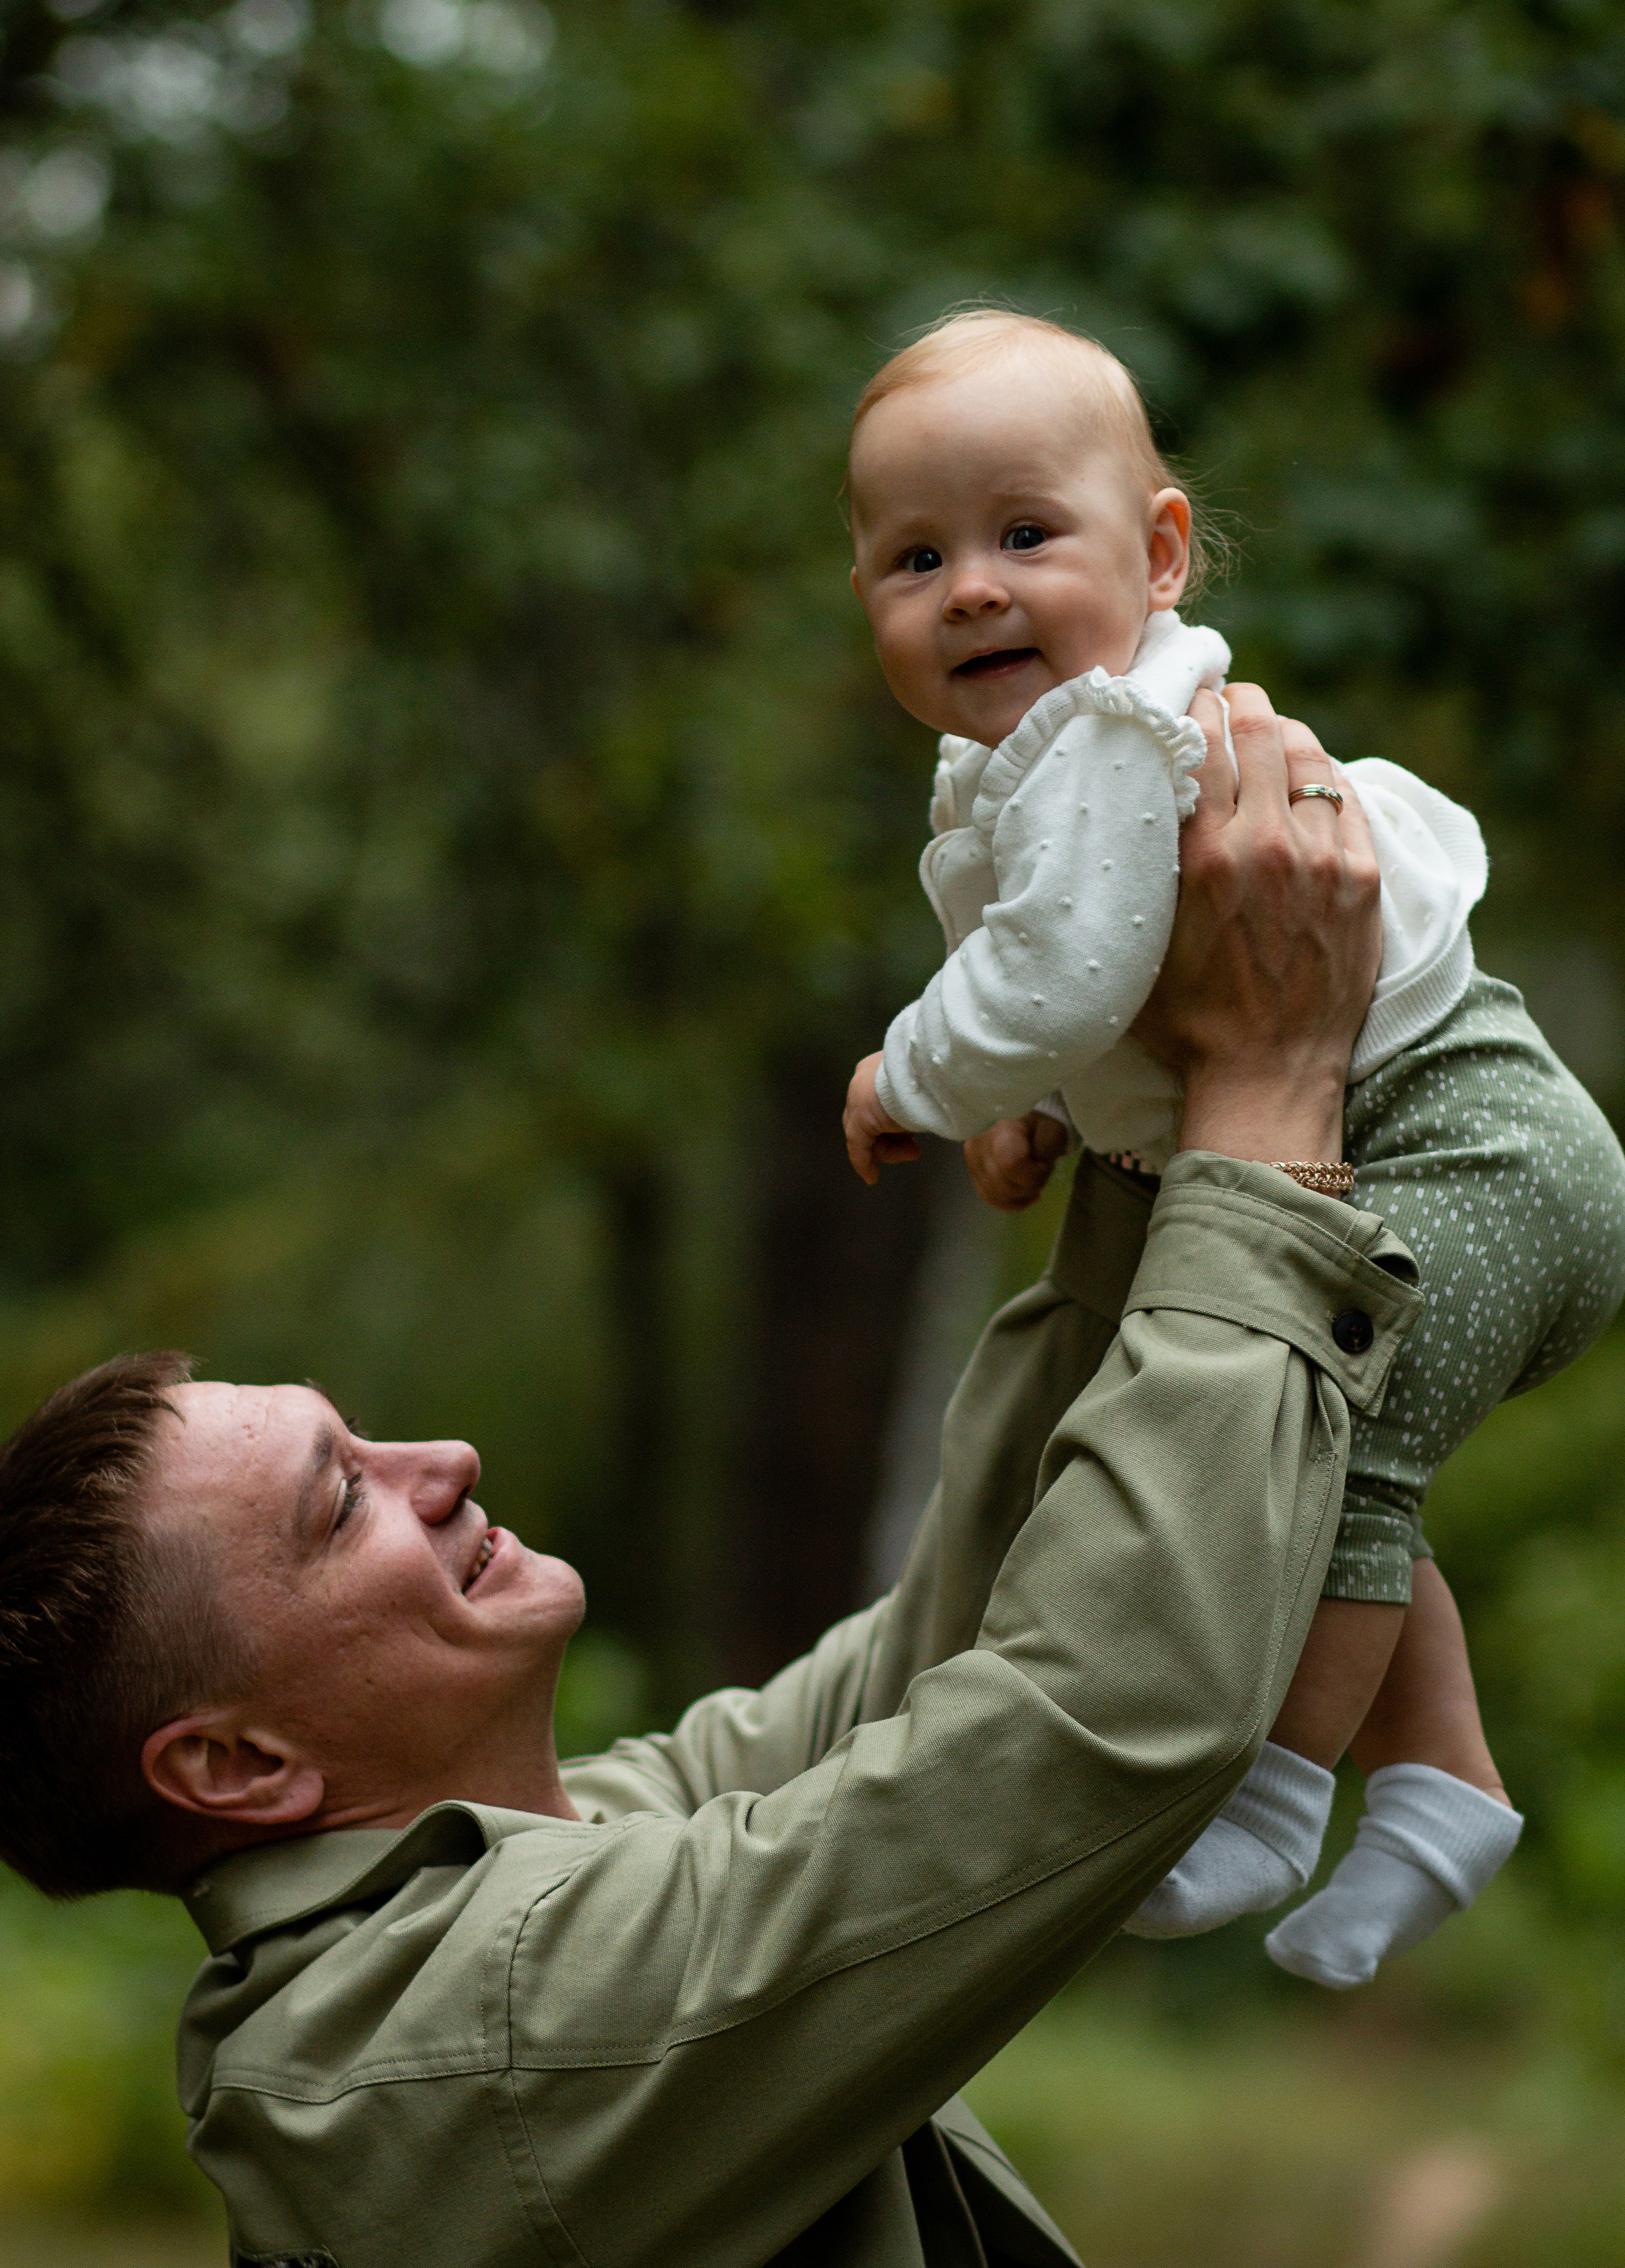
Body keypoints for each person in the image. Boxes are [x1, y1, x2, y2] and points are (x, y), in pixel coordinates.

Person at [0, 698, 1416, 2265]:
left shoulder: (547, 1853)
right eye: (340, 1507)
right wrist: (1267, 1097)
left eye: (369, 1440)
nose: (445, 1464)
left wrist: (1131, 1129)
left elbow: (945, 1661)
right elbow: (1089, 1721)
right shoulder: (470, 2048)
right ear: (237, 1767)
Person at [840, 309, 1625, 1987]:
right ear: (870, 605)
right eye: (917, 556)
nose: (973, 584)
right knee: (1323, 1452)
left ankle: (1268, 1794)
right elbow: (1123, 979)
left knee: (1314, 1448)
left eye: (1027, 534)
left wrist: (919, 1081)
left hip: (1471, 1134)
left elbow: (1067, 967)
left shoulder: (1122, 734)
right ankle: (1440, 1790)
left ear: (1161, 553)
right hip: (1415, 1135)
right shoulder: (1018, 765)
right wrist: (1042, 1111)